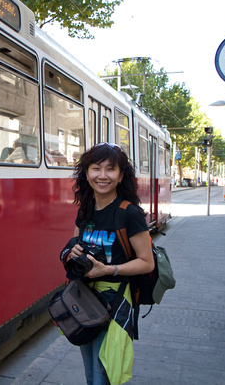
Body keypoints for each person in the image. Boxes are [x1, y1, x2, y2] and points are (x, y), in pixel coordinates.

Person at [60, 143, 154, 385]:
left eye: (111, 169)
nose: (102, 176)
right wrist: (74, 251)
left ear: (121, 176)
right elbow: (74, 244)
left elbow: (147, 263)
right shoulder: (86, 210)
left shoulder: (129, 214)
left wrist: (108, 270)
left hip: (116, 301)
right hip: (85, 300)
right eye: (96, 168)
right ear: (86, 173)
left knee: (106, 374)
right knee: (91, 373)